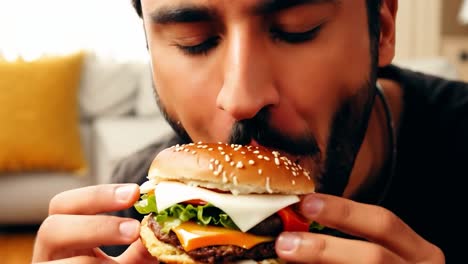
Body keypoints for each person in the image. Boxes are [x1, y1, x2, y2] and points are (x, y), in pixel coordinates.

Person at [32, 0, 467, 263]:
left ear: (384, 26)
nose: (240, 98)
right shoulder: (131, 212)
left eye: (297, 31)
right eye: (194, 41)